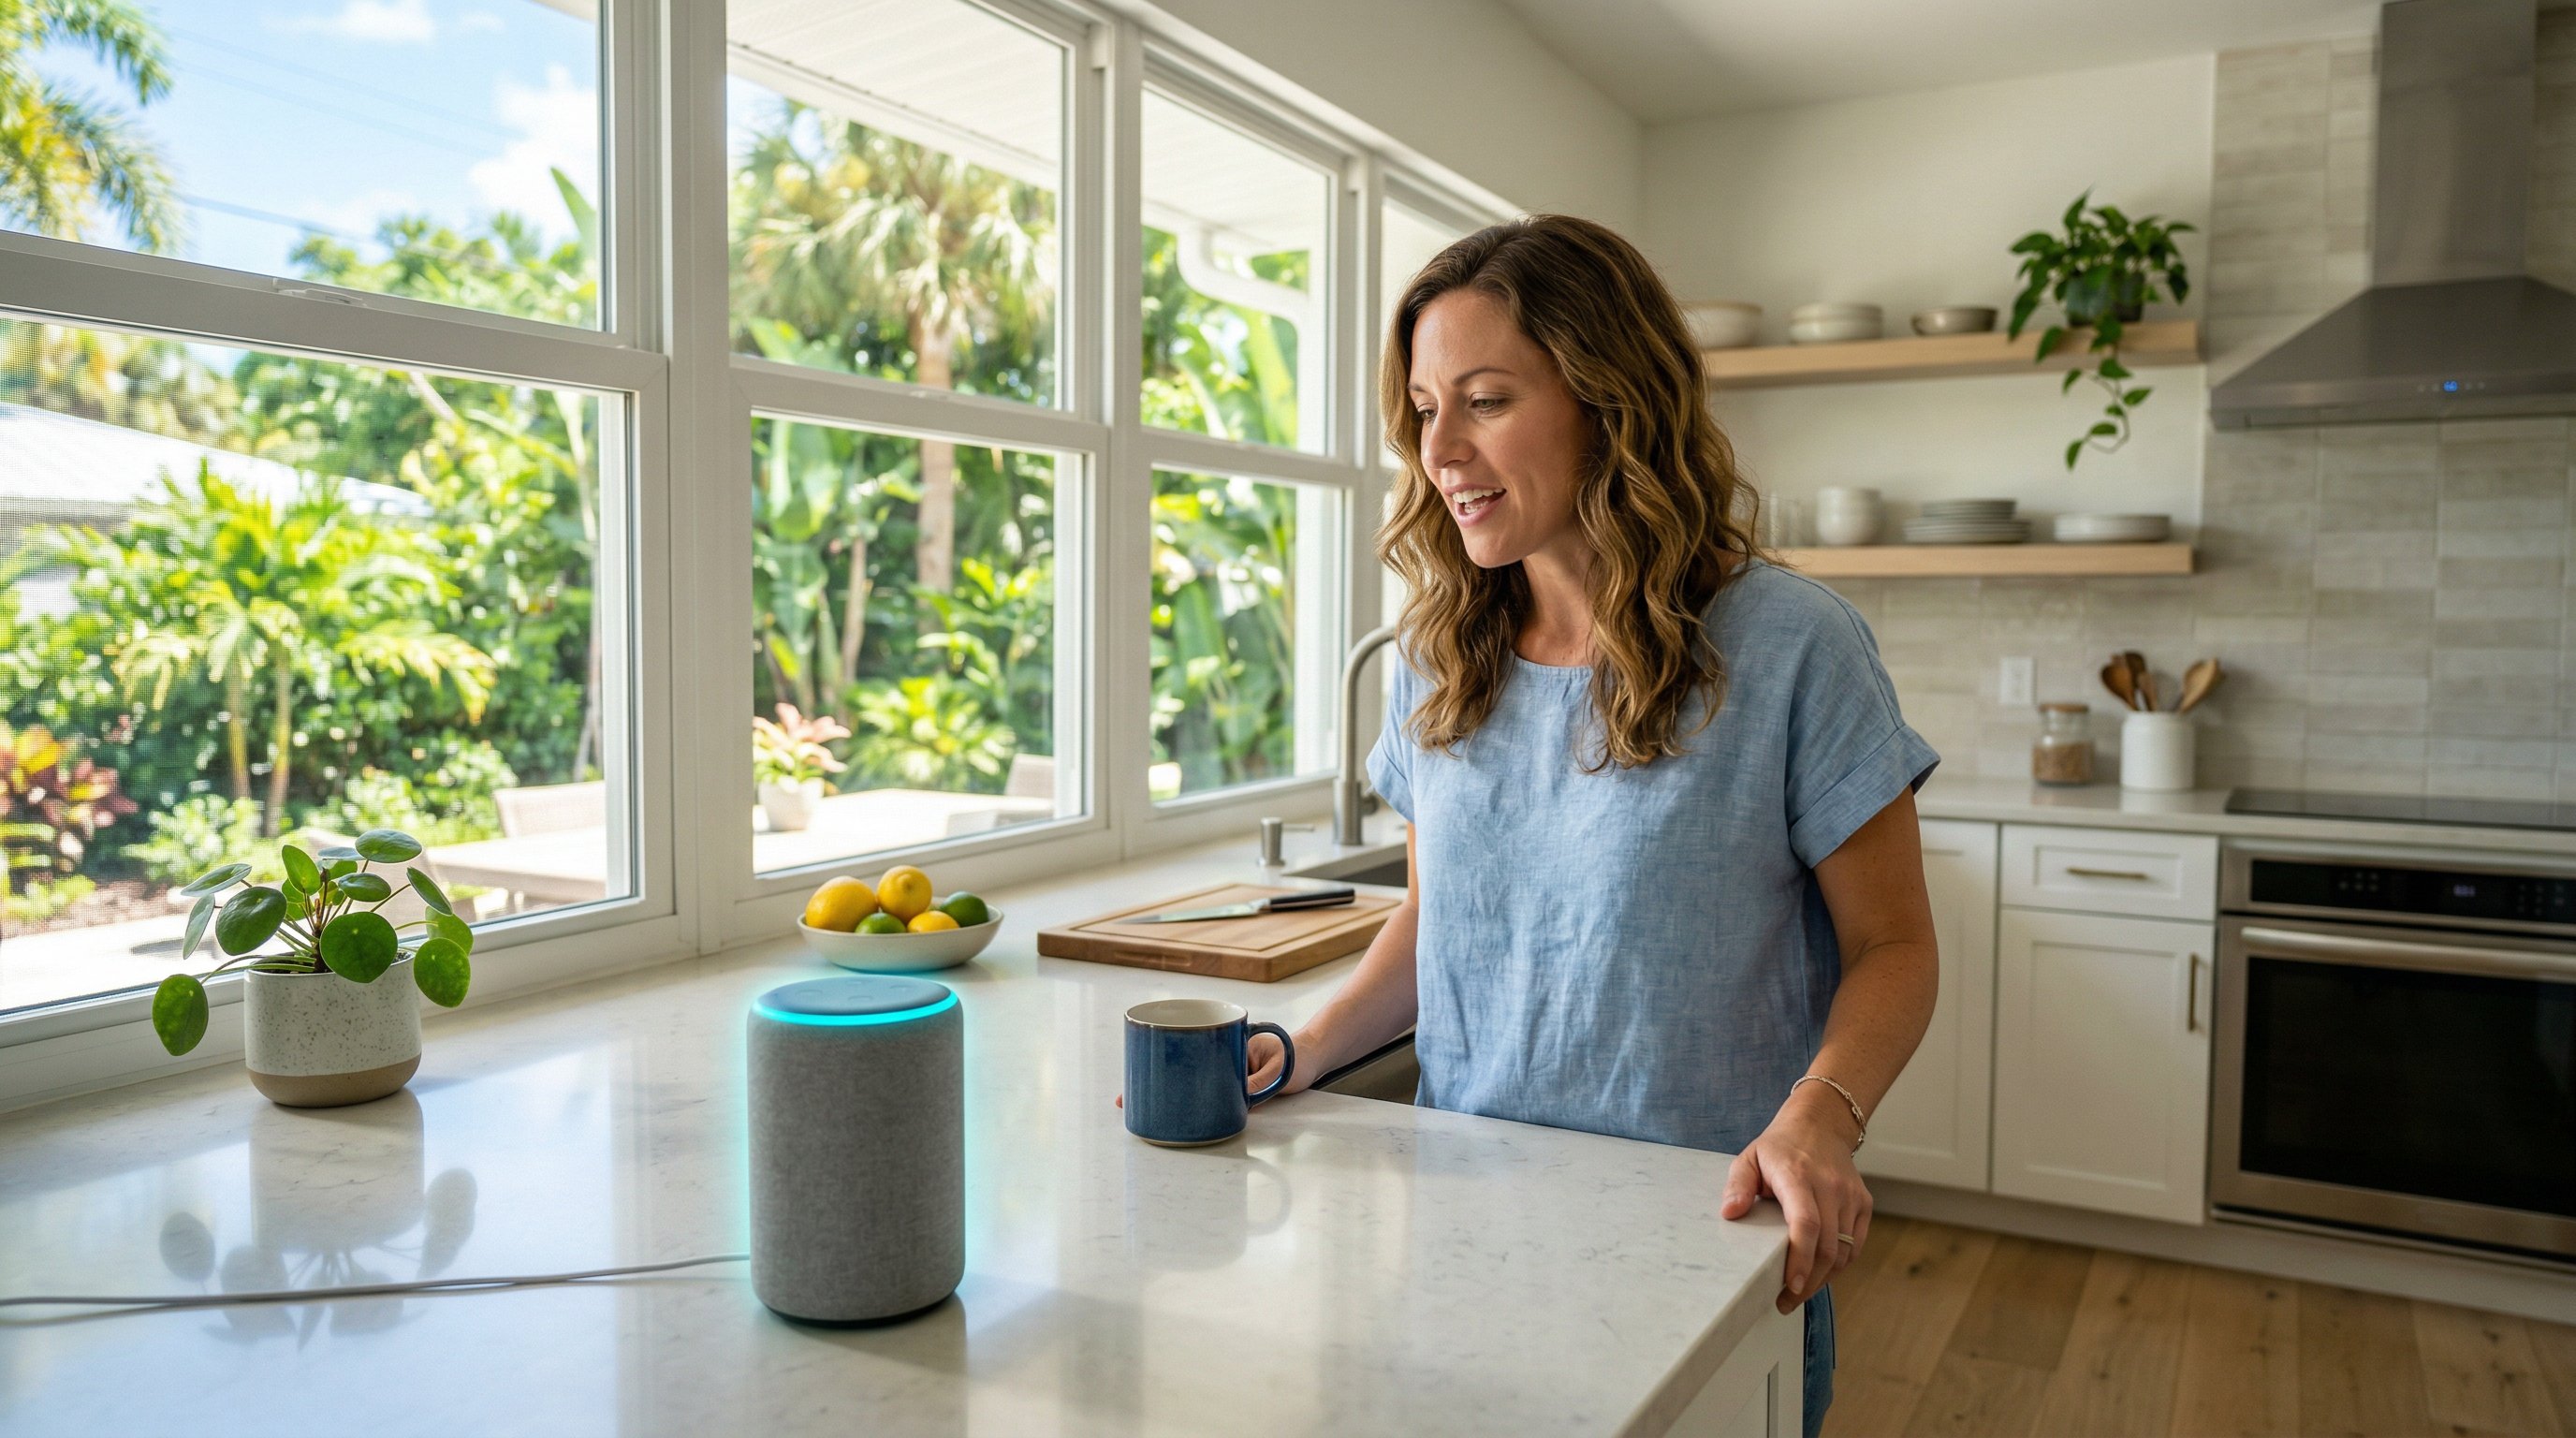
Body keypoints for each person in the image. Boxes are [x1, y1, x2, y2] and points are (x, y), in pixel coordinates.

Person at [1248, 213, 1941, 1438]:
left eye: (1487, 400)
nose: (1440, 449)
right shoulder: (1432, 659)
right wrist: (1304, 1048)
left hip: (1707, 1235)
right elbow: (1436, 919)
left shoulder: (1792, 646)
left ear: (1610, 401)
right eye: (1422, 407)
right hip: (1468, 1233)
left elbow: (1894, 948)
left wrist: (1823, 1111)